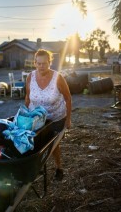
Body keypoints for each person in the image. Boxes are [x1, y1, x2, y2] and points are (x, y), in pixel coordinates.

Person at [25, 49, 72, 181]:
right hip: (36, 118)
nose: (41, 66)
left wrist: (68, 120)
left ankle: (59, 168)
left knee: (53, 144)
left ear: (49, 63)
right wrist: (24, 115)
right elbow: (28, 97)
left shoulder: (58, 78)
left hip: (55, 118)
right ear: (35, 63)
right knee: (34, 143)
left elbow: (68, 98)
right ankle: (35, 168)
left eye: (44, 63)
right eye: (38, 63)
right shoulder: (30, 77)